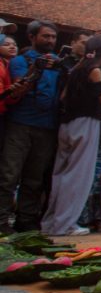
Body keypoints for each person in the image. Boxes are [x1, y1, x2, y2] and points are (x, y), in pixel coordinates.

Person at [41, 36, 101, 235]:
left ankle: (51, 222)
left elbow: (64, 96)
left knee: (61, 173)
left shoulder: (77, 69)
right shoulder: (94, 70)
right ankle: (66, 224)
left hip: (68, 123)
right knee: (79, 175)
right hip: (86, 122)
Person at [0, 21, 62, 233]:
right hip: (20, 123)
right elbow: (19, 88)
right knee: (9, 174)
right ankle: (2, 220)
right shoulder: (20, 61)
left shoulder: (57, 64)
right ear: (32, 37)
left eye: (53, 37)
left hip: (47, 126)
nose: (50, 41)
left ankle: (26, 220)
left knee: (34, 178)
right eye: (46, 36)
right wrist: (36, 68)